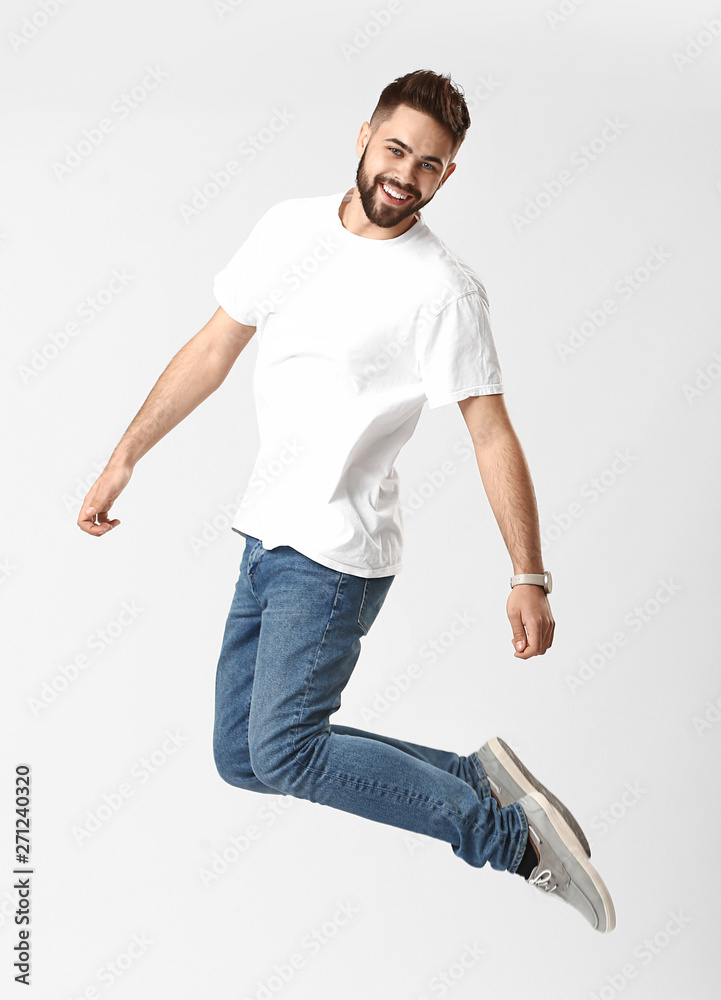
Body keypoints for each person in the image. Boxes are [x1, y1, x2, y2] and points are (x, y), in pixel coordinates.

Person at [78, 69, 615, 933]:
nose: (406, 173)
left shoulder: (441, 288)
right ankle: (476, 780)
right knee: (242, 758)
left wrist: (530, 574)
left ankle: (510, 842)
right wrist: (124, 457)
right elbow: (214, 347)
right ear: (362, 135)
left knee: (287, 749)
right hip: (264, 535)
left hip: (332, 554)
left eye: (430, 164)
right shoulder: (288, 227)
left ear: (447, 177)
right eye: (396, 148)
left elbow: (489, 433)